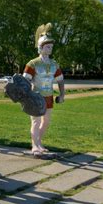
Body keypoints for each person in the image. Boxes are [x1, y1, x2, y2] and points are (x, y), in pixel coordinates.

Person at [23, 23, 65, 156]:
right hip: (35, 97)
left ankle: (39, 142)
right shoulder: (32, 63)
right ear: (40, 47)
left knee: (46, 122)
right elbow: (25, 81)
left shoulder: (54, 64)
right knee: (35, 122)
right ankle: (34, 146)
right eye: (47, 47)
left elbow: (60, 80)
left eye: (51, 47)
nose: (50, 49)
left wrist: (62, 94)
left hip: (49, 97)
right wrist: (26, 95)